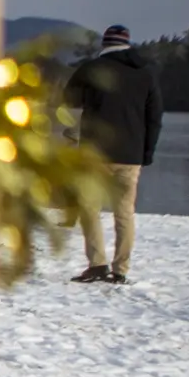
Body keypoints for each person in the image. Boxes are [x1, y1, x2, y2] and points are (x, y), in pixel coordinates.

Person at [63, 24, 163, 285]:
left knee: (89, 209)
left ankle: (97, 264)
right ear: (128, 44)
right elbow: (154, 118)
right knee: (125, 214)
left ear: (105, 44)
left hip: (95, 153)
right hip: (131, 155)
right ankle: (121, 270)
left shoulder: (93, 69)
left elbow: (68, 99)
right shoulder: (146, 74)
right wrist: (147, 152)